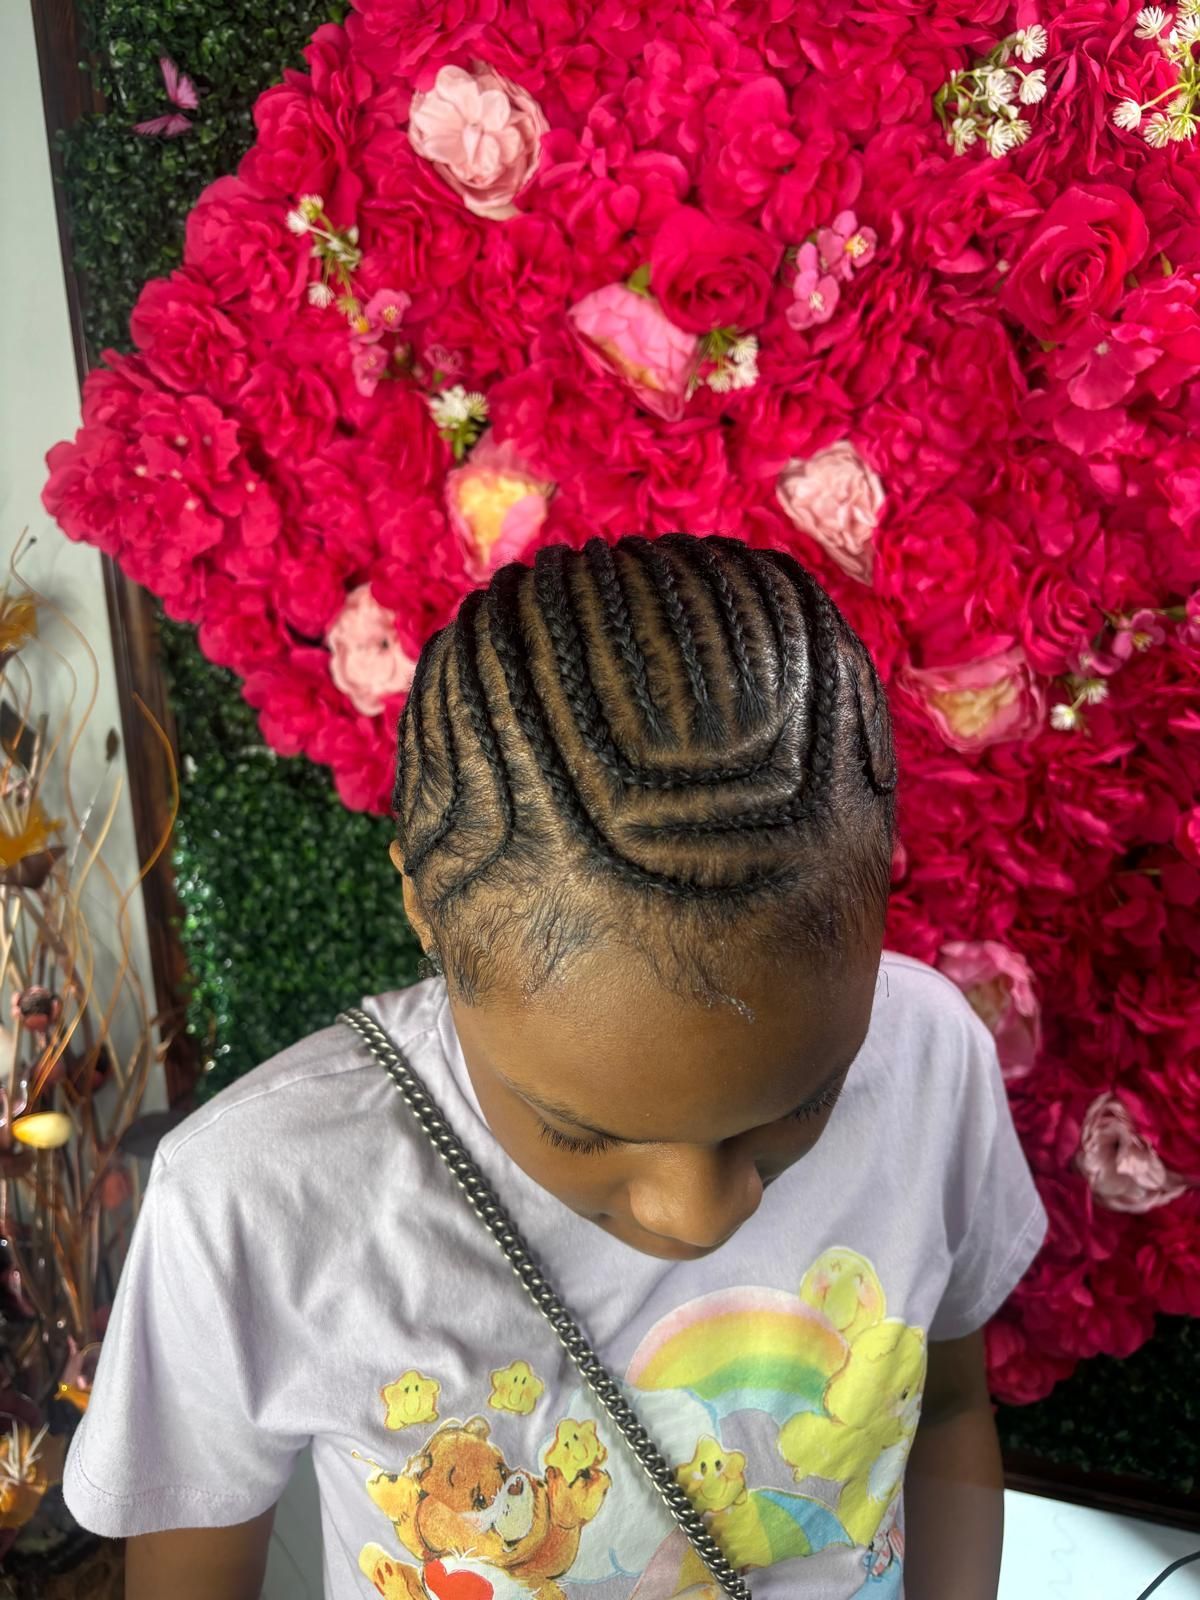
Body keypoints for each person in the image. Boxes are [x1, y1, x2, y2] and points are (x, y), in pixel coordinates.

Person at [63, 534, 1046, 1600]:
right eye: (582, 1131)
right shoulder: (255, 1198)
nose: (699, 1213)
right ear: (423, 912)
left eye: (804, 1103)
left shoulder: (932, 1055)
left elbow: (945, 1407)